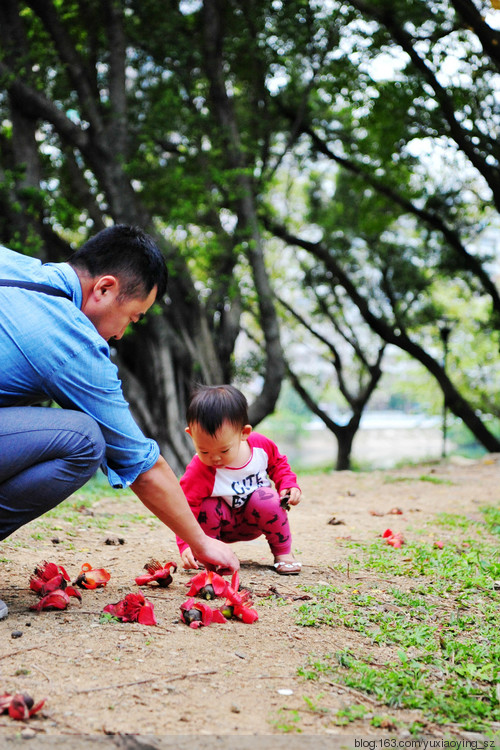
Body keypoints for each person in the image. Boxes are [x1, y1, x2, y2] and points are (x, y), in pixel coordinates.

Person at [0, 225, 239, 620]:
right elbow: (140, 464)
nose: (121, 333)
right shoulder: (70, 341)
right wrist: (200, 541)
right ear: (105, 289)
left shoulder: (15, 264)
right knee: (83, 440)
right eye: (131, 317)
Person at [176, 384, 302, 575]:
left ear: (244, 433)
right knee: (207, 505)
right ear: (191, 435)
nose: (215, 458)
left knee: (267, 497)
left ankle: (283, 553)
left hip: (257, 518)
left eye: (224, 450)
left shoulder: (260, 447)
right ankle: (209, 554)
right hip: (221, 526)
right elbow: (184, 508)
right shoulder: (200, 470)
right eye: (204, 451)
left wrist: (288, 484)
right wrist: (186, 544)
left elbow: (279, 465)